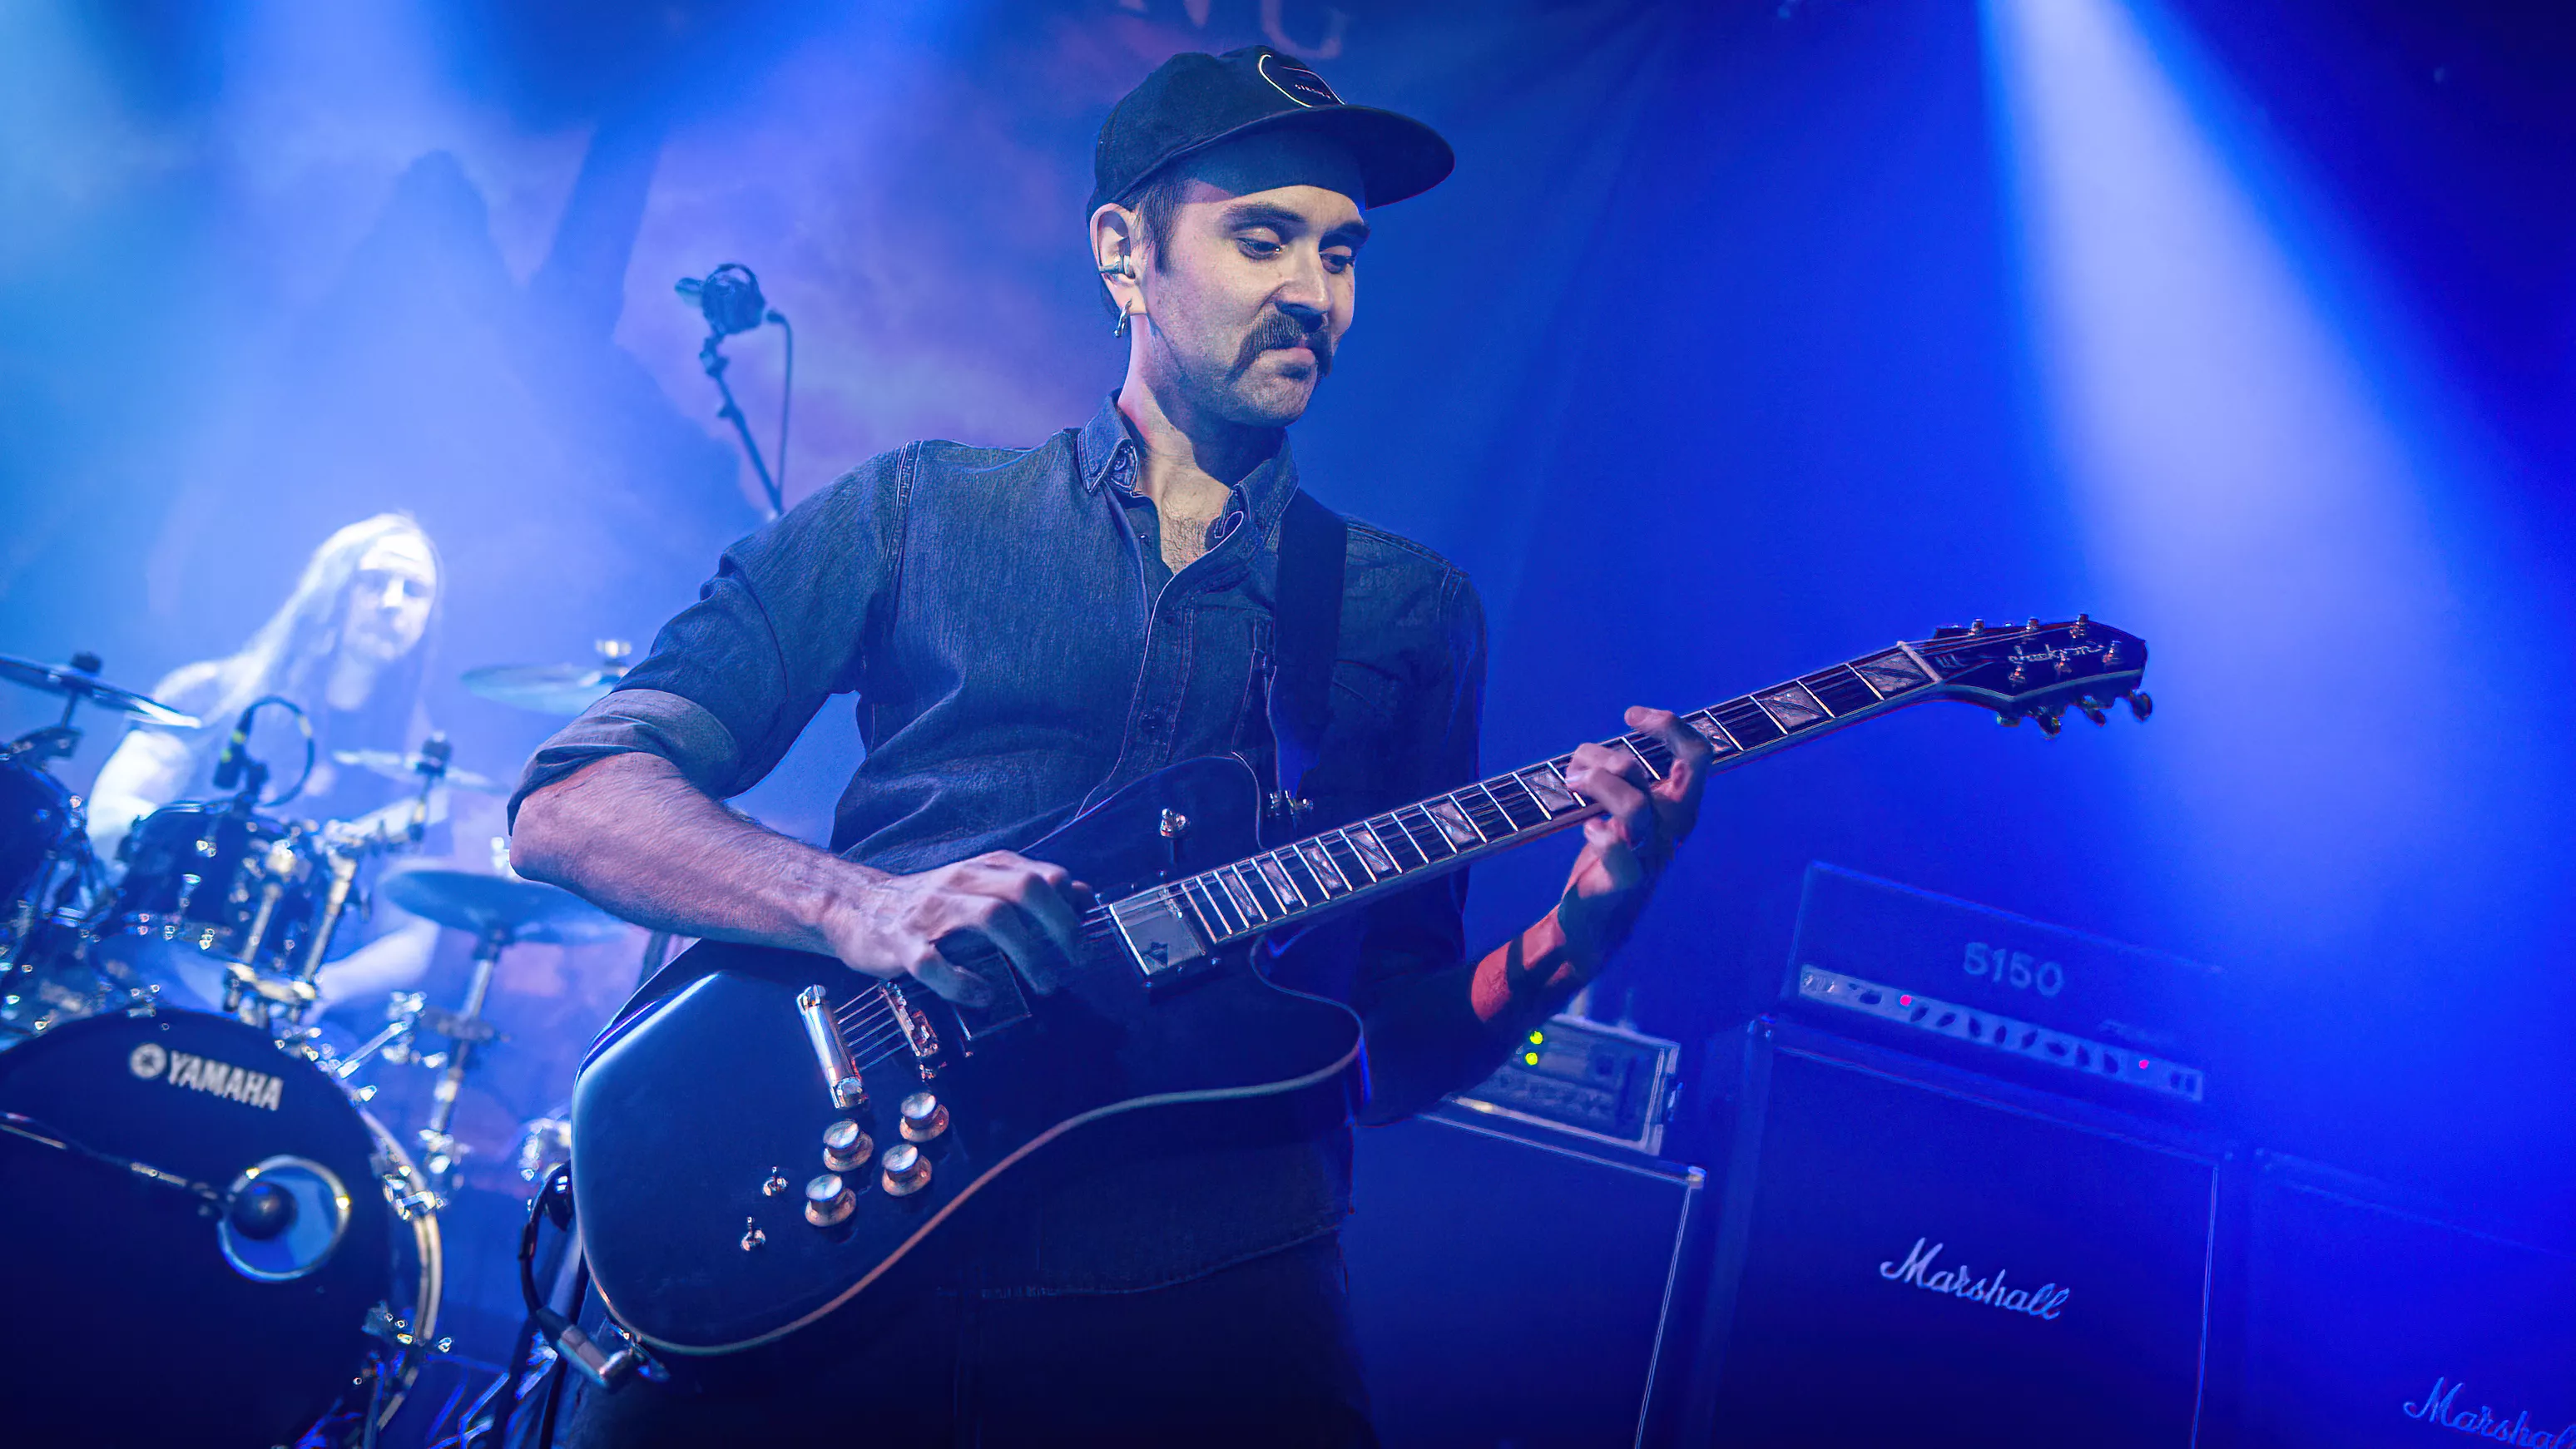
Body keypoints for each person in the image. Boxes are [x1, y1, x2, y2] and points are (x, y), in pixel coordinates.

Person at [509, 47, 1710, 1447]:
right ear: (1125, 254)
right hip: (835, 1267)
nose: (1315, 293)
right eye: (1262, 238)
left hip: (1206, 1301)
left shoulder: (1409, 610)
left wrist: (1579, 932)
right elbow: (571, 802)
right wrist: (863, 906)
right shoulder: (920, 510)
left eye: (1341, 253)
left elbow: (1383, 1053)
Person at [88, 512, 446, 1007]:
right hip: (141, 965)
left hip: (279, 1006)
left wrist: (319, 990)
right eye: (374, 582)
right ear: (332, 590)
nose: (392, 602)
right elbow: (110, 811)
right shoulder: (211, 694)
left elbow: (412, 937)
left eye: (414, 590)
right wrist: (161, 866)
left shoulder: (415, 774)